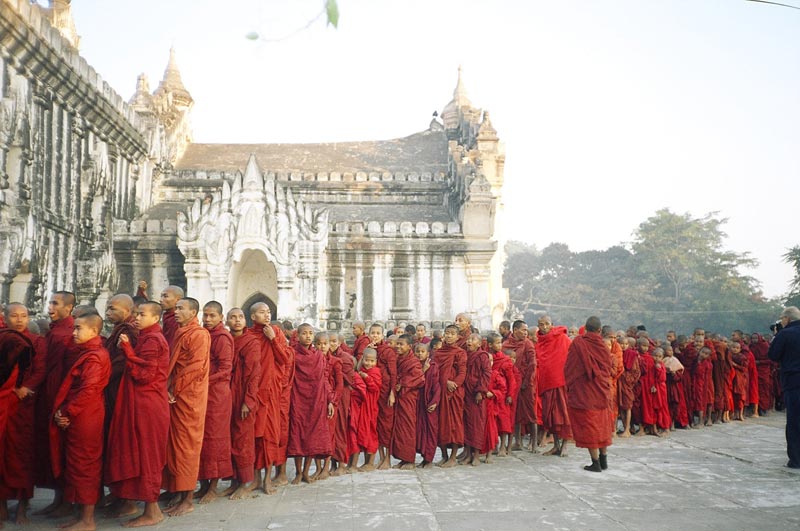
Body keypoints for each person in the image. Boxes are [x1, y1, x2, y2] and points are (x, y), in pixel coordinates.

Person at [105, 301, 170, 527]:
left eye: (142, 314)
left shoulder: (153, 340)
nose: (137, 318)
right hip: (141, 402)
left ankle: (152, 511)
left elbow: (145, 374)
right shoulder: (146, 336)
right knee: (136, 451)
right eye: (137, 314)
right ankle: (131, 502)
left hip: (148, 405)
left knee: (147, 455)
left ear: (156, 318)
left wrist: (128, 350)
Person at [49, 313, 111, 531]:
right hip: (81, 413)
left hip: (86, 415)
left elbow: (88, 390)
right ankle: (80, 515)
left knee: (86, 464)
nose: (74, 333)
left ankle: (88, 520)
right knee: (76, 463)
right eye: (73, 328)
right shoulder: (85, 351)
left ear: (94, 332)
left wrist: (66, 412)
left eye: (78, 329)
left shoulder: (96, 356)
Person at [163, 298, 211, 517]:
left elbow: (195, 368)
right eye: (176, 308)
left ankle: (188, 499)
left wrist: (175, 389)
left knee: (188, 447)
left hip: (189, 397)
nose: (176, 311)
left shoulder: (199, 334)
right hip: (177, 394)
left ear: (193, 312)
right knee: (175, 446)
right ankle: (179, 493)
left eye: (181, 308)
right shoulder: (181, 332)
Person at [0, 304, 45, 526]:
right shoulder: (2, 339)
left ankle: (22, 506)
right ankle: (1, 504)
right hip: (3, 401)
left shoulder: (36, 341)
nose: (19, 320)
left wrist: (25, 387)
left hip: (24, 404)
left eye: (24, 316)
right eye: (14, 316)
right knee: (3, 452)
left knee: (22, 454)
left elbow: (39, 369)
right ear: (5, 318)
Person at [36, 291, 79, 517]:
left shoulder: (65, 334)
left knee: (61, 450)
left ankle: (65, 501)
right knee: (53, 449)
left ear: (69, 308)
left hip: (60, 396)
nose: (50, 307)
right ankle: (59, 498)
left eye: (55, 303)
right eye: (50, 302)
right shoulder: (56, 331)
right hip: (51, 394)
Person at [249, 302, 290, 494]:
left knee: (270, 435)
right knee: (254, 436)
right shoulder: (248, 335)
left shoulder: (276, 332)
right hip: (253, 391)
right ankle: (255, 479)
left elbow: (285, 360)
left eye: (268, 312)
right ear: (253, 316)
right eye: (262, 312)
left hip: (271, 391)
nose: (266, 315)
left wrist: (273, 339)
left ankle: (267, 479)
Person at [563, 316, 612, 473]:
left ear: (585, 327)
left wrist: (570, 384)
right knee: (602, 426)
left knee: (590, 427)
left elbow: (569, 367)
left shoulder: (578, 343)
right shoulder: (603, 347)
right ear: (599, 330)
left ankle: (595, 463)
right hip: (601, 392)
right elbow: (607, 369)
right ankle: (603, 460)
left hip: (585, 393)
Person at [197, 301, 234, 503]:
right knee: (201, 439)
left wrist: (203, 380)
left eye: (212, 316)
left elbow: (225, 369)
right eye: (205, 315)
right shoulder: (203, 335)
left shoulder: (222, 338)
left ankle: (213, 486)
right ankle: (203, 485)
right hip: (202, 393)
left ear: (221, 317)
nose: (208, 319)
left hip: (218, 395)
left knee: (215, 440)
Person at [288, 324, 333, 484]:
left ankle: (306, 471)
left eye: (310, 333)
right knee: (298, 434)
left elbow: (325, 378)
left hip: (316, 401)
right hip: (298, 399)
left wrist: (329, 400)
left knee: (311, 437)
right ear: (298, 336)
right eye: (304, 333)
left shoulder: (319, 356)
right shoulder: (292, 354)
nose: (308, 336)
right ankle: (298, 472)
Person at [225, 308, 261, 499]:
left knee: (243, 438)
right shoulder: (226, 339)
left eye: (240, 317)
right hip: (227, 394)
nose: (237, 321)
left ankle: (246, 481)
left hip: (243, 396)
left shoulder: (251, 342)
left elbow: (254, 373)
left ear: (246, 321)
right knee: (230, 437)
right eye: (233, 317)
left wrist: (249, 401)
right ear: (227, 320)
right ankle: (234, 480)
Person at [767, 307, 800, 469]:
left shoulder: (785, 334)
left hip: (793, 381)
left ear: (787, 319)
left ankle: (796, 460)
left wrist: (776, 335)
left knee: (794, 421)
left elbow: (773, 355)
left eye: (782, 319)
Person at [536, 316, 572, 457]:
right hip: (547, 384)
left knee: (563, 415)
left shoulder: (563, 339)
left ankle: (564, 446)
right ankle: (556, 445)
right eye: (541, 324)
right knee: (549, 417)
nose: (543, 327)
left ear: (552, 324)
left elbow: (571, 358)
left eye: (546, 324)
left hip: (561, 383)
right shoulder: (540, 343)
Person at [435, 324, 467, 468]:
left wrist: (453, 385)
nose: (449, 336)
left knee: (454, 425)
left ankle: (453, 457)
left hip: (454, 393)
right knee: (441, 424)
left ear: (457, 336)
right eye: (447, 333)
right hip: (440, 392)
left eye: (452, 333)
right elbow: (434, 372)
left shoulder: (460, 353)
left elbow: (462, 373)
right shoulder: (438, 353)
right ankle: (444, 455)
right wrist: (444, 382)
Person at [390, 334, 424, 469]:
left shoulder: (413, 361)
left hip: (409, 397)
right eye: (397, 344)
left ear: (409, 346)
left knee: (408, 427)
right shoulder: (399, 359)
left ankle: (410, 460)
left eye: (401, 344)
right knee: (400, 428)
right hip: (400, 397)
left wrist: (402, 384)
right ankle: (403, 458)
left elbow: (420, 378)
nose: (397, 346)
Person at [503, 320, 537, 452]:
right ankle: (517, 442)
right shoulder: (506, 344)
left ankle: (533, 444)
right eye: (523, 330)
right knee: (514, 413)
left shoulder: (528, 343)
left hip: (526, 384)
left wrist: (526, 382)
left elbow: (532, 364)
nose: (525, 332)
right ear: (515, 330)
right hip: (512, 384)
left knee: (530, 413)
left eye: (526, 330)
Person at [368, 324, 396, 470]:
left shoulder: (388, 351)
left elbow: (393, 373)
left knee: (387, 425)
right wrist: (368, 350)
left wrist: (392, 392)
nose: (375, 335)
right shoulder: (369, 349)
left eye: (378, 333)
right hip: (373, 392)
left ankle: (388, 458)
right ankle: (380, 457)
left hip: (386, 393)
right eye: (373, 333)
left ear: (382, 335)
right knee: (377, 425)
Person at [461, 333, 491, 466]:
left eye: (472, 340)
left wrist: (480, 391)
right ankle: (467, 454)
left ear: (479, 344)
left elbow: (486, 374)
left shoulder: (482, 356)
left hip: (476, 394)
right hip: (465, 393)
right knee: (465, 423)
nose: (469, 341)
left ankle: (477, 455)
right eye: (468, 339)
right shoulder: (464, 355)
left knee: (477, 424)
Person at [316, 332, 342, 480]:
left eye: (325, 344)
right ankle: (318, 468)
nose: (322, 347)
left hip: (331, 402)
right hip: (316, 402)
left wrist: (332, 401)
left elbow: (339, 385)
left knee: (329, 435)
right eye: (319, 344)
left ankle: (325, 468)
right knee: (316, 435)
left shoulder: (336, 362)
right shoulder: (312, 360)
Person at [487, 333, 516, 456]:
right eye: (497, 343)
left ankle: (503, 446)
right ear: (490, 345)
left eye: (500, 342)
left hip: (502, 394)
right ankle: (494, 445)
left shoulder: (505, 360)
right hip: (490, 394)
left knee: (503, 420)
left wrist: (510, 395)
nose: (500, 345)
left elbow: (511, 380)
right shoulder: (487, 357)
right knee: (492, 421)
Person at [330, 334, 354, 476]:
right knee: (331, 429)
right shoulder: (325, 356)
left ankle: (341, 463)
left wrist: (336, 369)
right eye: (329, 342)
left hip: (342, 395)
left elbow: (350, 379)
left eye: (334, 342)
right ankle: (332, 463)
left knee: (340, 428)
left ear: (339, 343)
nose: (331, 344)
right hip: (329, 395)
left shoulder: (344, 358)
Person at [353, 348, 381, 471]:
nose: (368, 363)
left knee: (371, 432)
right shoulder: (362, 370)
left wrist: (367, 378)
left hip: (371, 406)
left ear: (376, 361)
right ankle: (365, 462)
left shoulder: (376, 372)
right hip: (363, 406)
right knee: (363, 432)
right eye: (366, 360)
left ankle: (370, 463)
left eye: (371, 361)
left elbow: (375, 388)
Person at [415, 343, 440, 468]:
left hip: (429, 402)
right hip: (418, 403)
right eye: (418, 352)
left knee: (430, 430)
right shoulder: (415, 366)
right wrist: (422, 371)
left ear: (428, 353)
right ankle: (424, 458)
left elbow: (436, 386)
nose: (420, 354)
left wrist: (435, 402)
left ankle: (429, 459)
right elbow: (414, 382)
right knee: (421, 431)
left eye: (422, 352)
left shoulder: (433, 367)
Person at [482, 353, 506, 463]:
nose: (489, 363)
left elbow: (502, 389)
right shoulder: (479, 374)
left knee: (490, 430)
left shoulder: (495, 374)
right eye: (487, 361)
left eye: (491, 361)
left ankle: (489, 454)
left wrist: (493, 393)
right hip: (479, 406)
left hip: (490, 406)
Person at [617, 338, 640, 437]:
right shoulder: (617, 353)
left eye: (626, 344)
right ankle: (626, 428)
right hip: (619, 383)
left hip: (627, 383)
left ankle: (627, 429)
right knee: (621, 407)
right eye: (621, 344)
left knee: (628, 406)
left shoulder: (632, 354)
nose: (623, 346)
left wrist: (628, 380)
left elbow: (636, 372)